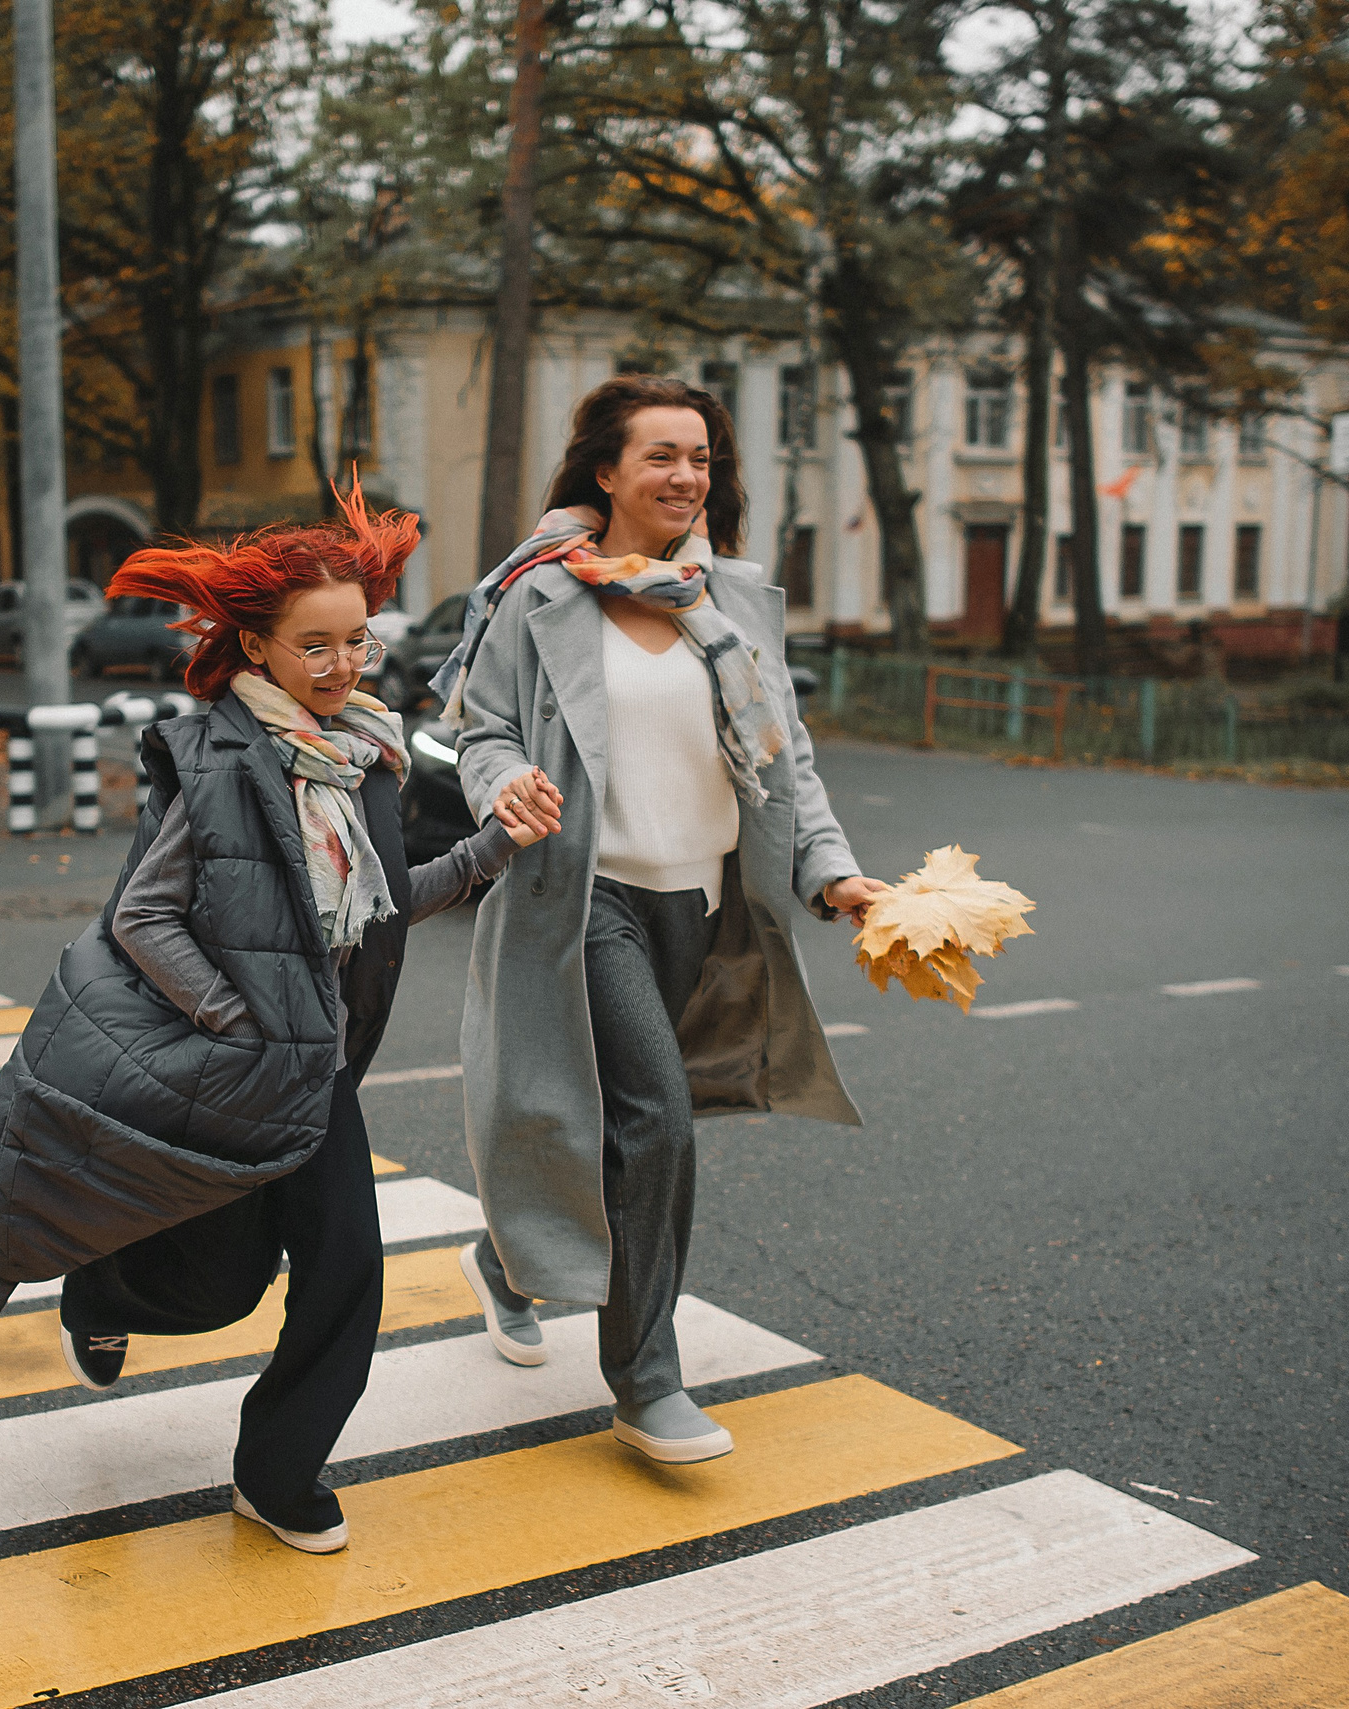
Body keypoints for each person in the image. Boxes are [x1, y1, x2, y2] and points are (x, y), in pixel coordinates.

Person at [0, 487, 562, 1555]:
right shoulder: (216, 760)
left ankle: (276, 1470)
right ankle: (100, 1290)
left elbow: (383, 900)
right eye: (315, 644)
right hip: (240, 1066)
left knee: (349, 1265)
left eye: (357, 639)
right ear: (254, 645)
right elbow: (143, 914)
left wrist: (496, 842)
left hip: (316, 1074)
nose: (343, 663)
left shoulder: (362, 752)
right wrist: (235, 1017)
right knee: (217, 1287)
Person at [430, 373, 887, 1466]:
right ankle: (645, 1380)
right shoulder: (539, 594)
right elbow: (479, 727)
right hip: (588, 897)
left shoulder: (731, 600)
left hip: (712, 902)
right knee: (658, 1120)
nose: (686, 477)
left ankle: (505, 1260)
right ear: (607, 470)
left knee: (618, 1116)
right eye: (661, 457)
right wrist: (501, 784)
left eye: (700, 458)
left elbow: (788, 758)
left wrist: (831, 872)